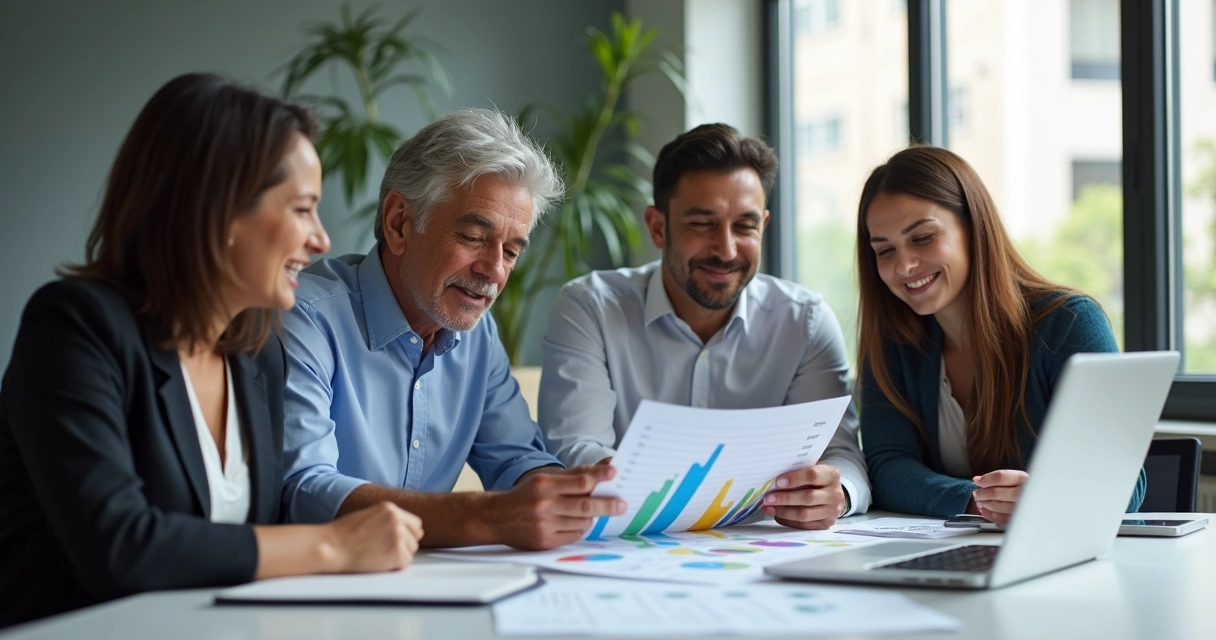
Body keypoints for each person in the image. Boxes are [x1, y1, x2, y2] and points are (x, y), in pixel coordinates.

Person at [0, 73, 423, 628]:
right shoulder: (74, 327)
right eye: (301, 209)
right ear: (218, 210)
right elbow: (122, 548)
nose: (321, 240)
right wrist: (334, 545)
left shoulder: (258, 353)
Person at [281, 108, 625, 551]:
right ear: (399, 222)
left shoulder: (476, 333)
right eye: (473, 238)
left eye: (512, 251)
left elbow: (517, 457)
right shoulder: (303, 318)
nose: (494, 271)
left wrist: (569, 493)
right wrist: (489, 515)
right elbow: (305, 492)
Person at [538, 123, 871, 530]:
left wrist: (836, 495)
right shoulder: (590, 308)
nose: (726, 249)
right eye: (702, 223)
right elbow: (574, 449)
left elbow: (842, 456)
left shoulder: (805, 322)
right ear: (658, 227)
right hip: (629, 542)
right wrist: (632, 482)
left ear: (763, 225)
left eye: (745, 226)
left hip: (759, 550)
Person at [856, 145, 1146, 522]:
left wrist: (1046, 495)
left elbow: (1125, 483)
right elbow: (887, 466)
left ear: (973, 228)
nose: (905, 265)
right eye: (885, 251)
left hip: (1057, 557)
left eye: (923, 238)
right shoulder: (893, 342)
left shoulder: (1069, 324)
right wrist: (976, 501)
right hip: (950, 553)